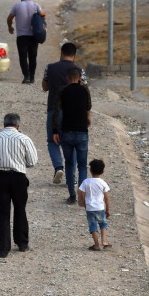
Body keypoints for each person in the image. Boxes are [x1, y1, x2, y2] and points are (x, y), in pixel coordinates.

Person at [0, 113, 38, 258]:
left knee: (2, 212)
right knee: (20, 209)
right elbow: (32, 161)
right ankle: (22, 243)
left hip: (0, 177)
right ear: (18, 125)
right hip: (19, 176)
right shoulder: (24, 139)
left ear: (4, 124)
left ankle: (3, 247)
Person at [42, 43, 82, 184]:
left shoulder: (50, 67)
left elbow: (45, 86)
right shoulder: (79, 70)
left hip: (54, 110)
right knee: (73, 143)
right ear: (74, 55)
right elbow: (83, 89)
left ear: (61, 53)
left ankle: (58, 167)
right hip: (73, 112)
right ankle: (72, 176)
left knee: (52, 141)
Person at [52, 66, 92, 204]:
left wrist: (55, 131)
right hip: (82, 132)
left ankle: (72, 195)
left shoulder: (62, 91)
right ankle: (82, 194)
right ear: (79, 78)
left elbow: (56, 111)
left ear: (67, 78)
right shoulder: (84, 90)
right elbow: (88, 106)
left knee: (69, 164)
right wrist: (88, 117)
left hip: (67, 132)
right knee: (82, 165)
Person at [7, 0, 45, 85]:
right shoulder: (36, 5)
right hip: (33, 36)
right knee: (33, 57)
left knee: (23, 57)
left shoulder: (17, 6)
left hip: (21, 36)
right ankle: (32, 77)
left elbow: (9, 18)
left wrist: (10, 26)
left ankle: (26, 76)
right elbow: (43, 15)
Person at [77, 159, 111, 251]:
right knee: (103, 224)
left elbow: (82, 194)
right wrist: (107, 210)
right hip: (100, 207)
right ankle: (104, 241)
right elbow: (106, 198)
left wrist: (84, 205)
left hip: (89, 208)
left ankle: (96, 245)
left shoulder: (86, 182)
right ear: (103, 171)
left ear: (90, 170)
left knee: (93, 226)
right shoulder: (103, 183)